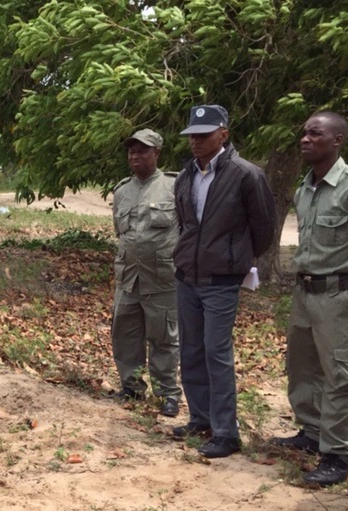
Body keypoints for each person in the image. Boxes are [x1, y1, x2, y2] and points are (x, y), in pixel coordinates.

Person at [271, 112, 348, 486]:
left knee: (340, 374)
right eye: (303, 132)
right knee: (303, 366)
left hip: (338, 294)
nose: (305, 138)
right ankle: (311, 431)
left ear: (337, 140)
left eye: (315, 133)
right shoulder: (306, 187)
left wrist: (343, 265)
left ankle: (336, 454)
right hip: (304, 293)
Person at [170, 104, 276, 458]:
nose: (196, 142)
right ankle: (200, 419)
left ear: (223, 134)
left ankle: (226, 432)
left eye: (204, 135)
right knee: (191, 350)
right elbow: (186, 225)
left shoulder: (246, 175)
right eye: (192, 136)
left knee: (217, 352)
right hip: (187, 276)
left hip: (221, 280)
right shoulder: (186, 175)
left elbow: (263, 231)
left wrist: (235, 259)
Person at [110, 128, 181, 417]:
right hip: (128, 278)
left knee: (164, 338)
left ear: (157, 153)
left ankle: (168, 394)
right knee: (124, 334)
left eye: (142, 150)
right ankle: (132, 387)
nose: (135, 155)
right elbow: (121, 234)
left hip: (162, 278)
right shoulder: (122, 190)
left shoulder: (174, 186)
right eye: (132, 150)